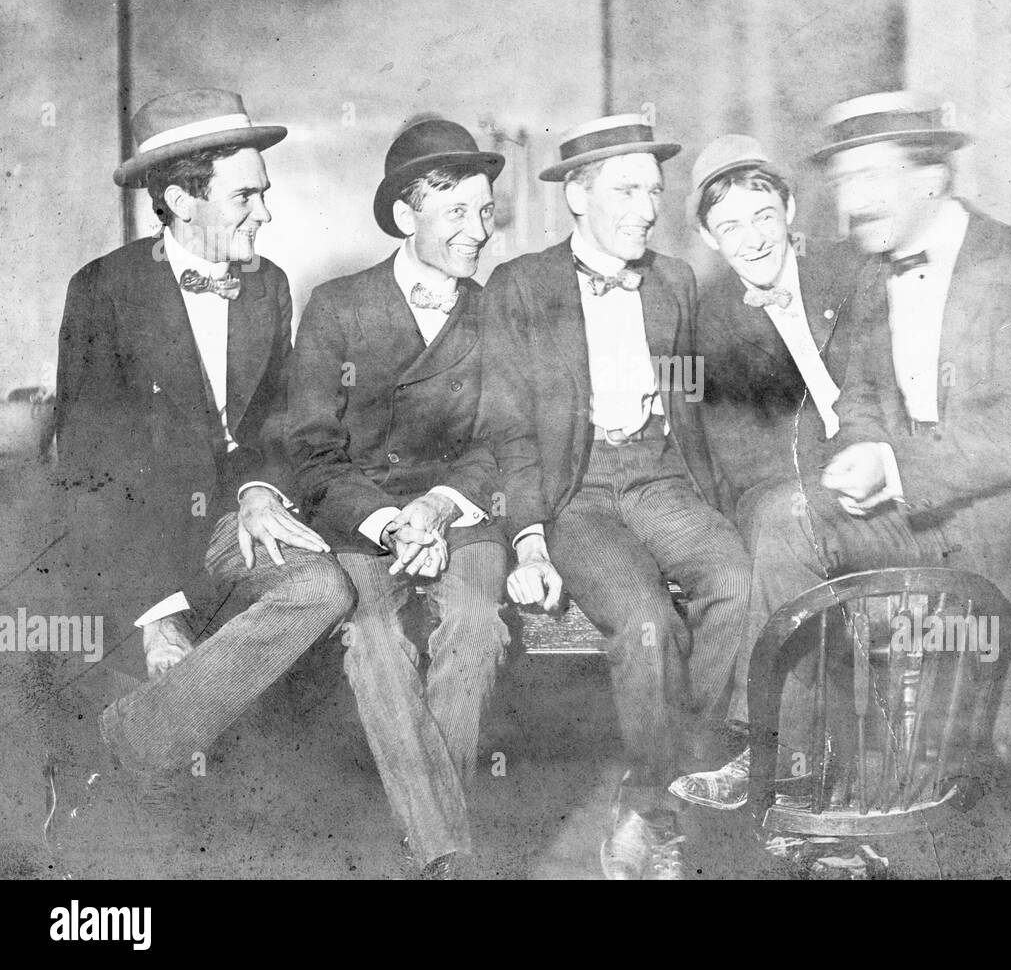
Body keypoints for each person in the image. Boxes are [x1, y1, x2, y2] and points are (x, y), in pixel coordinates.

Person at [670, 92, 1011, 810]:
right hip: (925, 524)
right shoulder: (876, 273)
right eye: (847, 180)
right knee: (792, 519)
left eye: (872, 178)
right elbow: (859, 397)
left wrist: (894, 467)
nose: (854, 200)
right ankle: (787, 774)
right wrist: (859, 450)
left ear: (930, 178)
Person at [54, 88, 355, 870]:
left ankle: (130, 740)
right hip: (141, 541)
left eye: (265, 192)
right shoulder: (103, 291)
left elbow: (270, 430)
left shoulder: (269, 284)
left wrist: (259, 489)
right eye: (246, 195)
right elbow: (87, 473)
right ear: (183, 200)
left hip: (234, 525)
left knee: (325, 587)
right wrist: (154, 615)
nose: (265, 213)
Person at [477, 113, 752, 879]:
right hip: (579, 492)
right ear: (577, 195)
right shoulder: (520, 287)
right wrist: (529, 535)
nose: (644, 209)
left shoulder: (674, 282)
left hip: (660, 477)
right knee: (643, 624)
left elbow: (690, 397)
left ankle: (672, 782)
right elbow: (510, 432)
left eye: (654, 192)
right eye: (625, 190)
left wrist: (713, 494)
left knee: (736, 578)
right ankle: (658, 801)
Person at [285, 118, 511, 879]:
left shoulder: (494, 311)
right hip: (359, 520)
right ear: (407, 215)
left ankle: (428, 851)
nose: (478, 232)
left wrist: (440, 508)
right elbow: (312, 454)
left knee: (477, 624)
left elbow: (499, 442)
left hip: (463, 516)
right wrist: (390, 523)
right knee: (374, 637)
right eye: (458, 214)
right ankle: (448, 856)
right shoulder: (336, 306)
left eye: (486, 212)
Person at [689, 134, 864, 534]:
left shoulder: (851, 267)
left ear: (789, 209)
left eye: (764, 217)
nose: (753, 241)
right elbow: (746, 459)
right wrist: (838, 483)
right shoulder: (706, 322)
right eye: (730, 228)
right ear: (708, 237)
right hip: (792, 493)